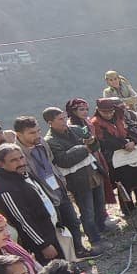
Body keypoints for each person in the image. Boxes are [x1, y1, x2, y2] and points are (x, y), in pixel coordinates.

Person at [15, 116, 93, 260]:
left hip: (58, 188)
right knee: (56, 228)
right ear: (19, 135)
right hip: (42, 195)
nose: (37, 135)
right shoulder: (16, 153)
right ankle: (65, 258)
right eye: (32, 133)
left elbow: (51, 162)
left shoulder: (42, 143)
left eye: (38, 131)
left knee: (73, 222)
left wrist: (61, 181)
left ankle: (79, 250)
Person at [44, 107, 108, 251]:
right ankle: (95, 239)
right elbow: (64, 160)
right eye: (60, 119)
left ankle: (101, 227)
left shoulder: (76, 129)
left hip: (93, 172)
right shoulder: (51, 141)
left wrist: (91, 142)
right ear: (50, 122)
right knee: (87, 211)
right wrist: (85, 148)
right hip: (77, 180)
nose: (64, 121)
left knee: (99, 204)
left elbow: (95, 145)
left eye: (64, 117)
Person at [0, 143, 66, 263]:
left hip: (50, 231)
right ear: (1, 164)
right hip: (40, 241)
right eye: (13, 160)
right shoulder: (6, 189)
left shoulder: (23, 175)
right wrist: (43, 245)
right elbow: (23, 221)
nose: (21, 163)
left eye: (21, 157)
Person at [91, 98, 137, 215]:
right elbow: (105, 141)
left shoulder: (120, 117)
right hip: (115, 158)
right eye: (105, 112)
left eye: (110, 111)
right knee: (123, 183)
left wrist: (133, 141)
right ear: (98, 110)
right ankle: (127, 208)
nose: (108, 114)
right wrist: (124, 145)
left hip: (132, 153)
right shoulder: (96, 124)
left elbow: (132, 130)